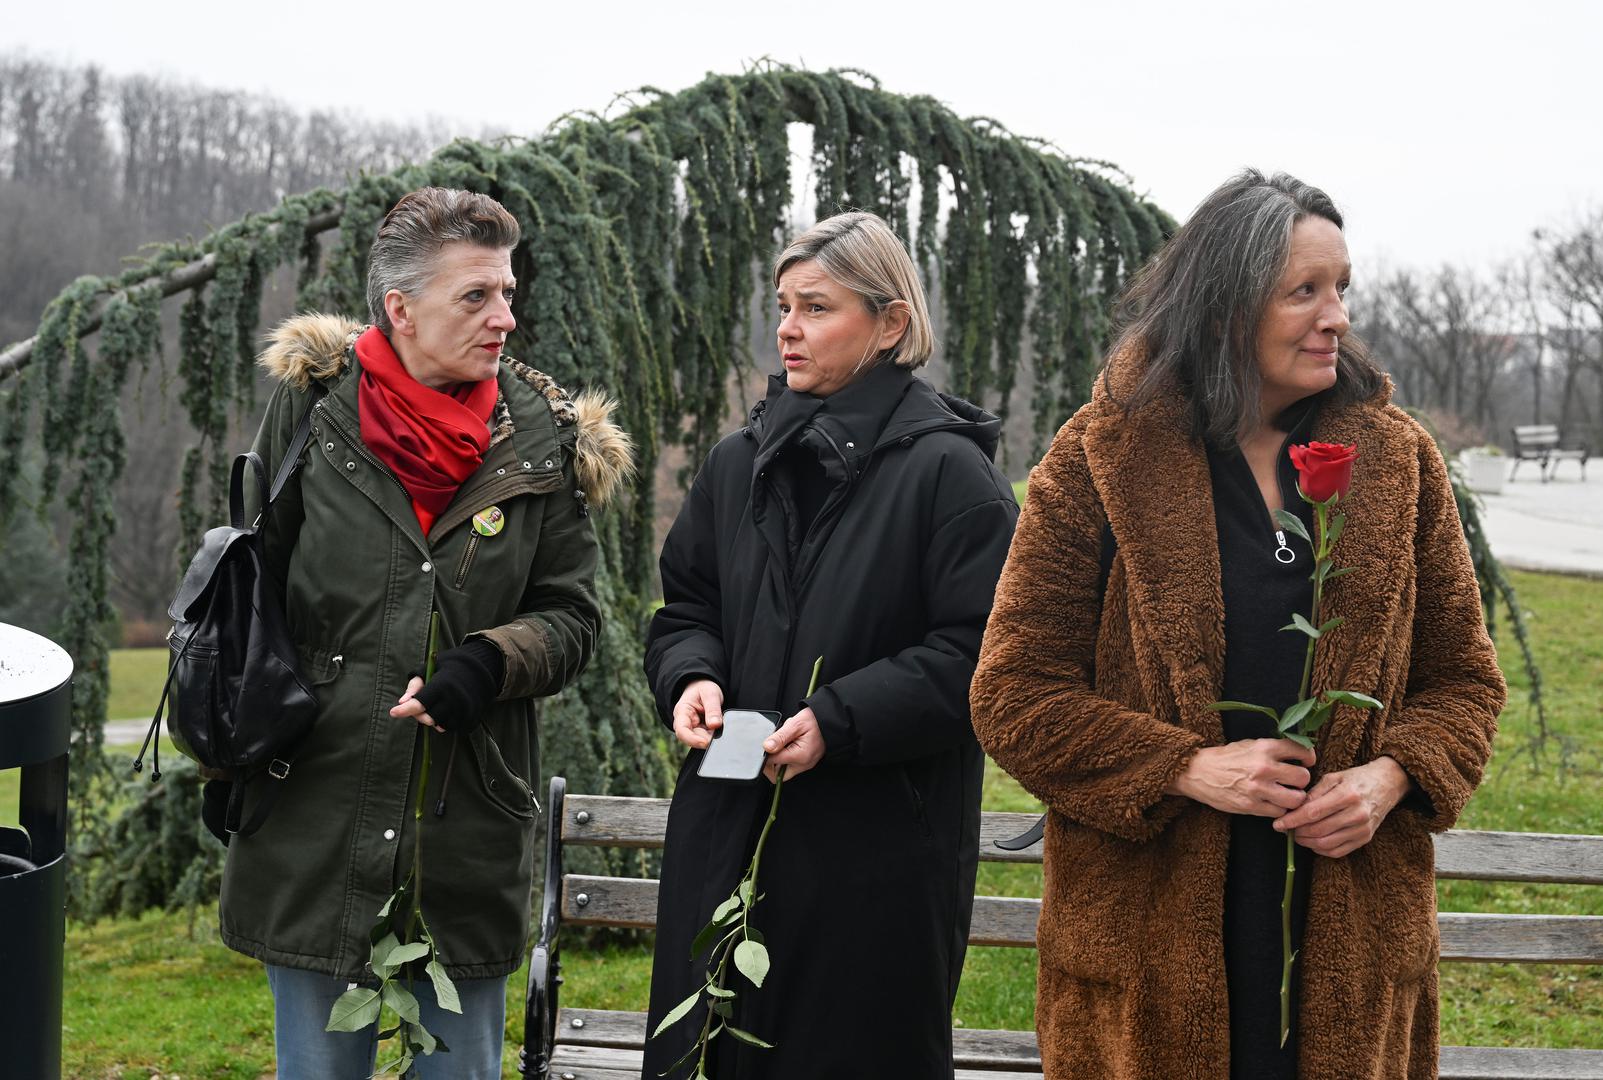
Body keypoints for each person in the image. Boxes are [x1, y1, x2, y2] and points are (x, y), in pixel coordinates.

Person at [969, 171, 1505, 1079]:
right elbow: (1014, 695)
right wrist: (1183, 767)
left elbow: (1463, 682)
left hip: (1349, 931)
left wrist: (1389, 778)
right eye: (1304, 292)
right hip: (1148, 941)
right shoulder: (1099, 455)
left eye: (1341, 288)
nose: (1336, 316)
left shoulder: (1397, 459)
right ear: (1222, 308)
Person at [212, 186, 633, 1078]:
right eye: (475, 295)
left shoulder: (545, 437)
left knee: (460, 1067)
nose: (504, 317)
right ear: (400, 309)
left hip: (467, 817)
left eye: (507, 292)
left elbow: (573, 617)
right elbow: (248, 593)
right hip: (315, 805)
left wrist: (488, 663)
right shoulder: (312, 409)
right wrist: (233, 751)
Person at [642, 211, 1018, 1078]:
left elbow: (984, 653)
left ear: (890, 324)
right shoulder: (736, 462)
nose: (787, 328)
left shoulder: (951, 475)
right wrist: (690, 676)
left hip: (872, 857)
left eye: (815, 307)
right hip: (724, 825)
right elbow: (688, 606)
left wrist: (837, 720)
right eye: (783, 306)